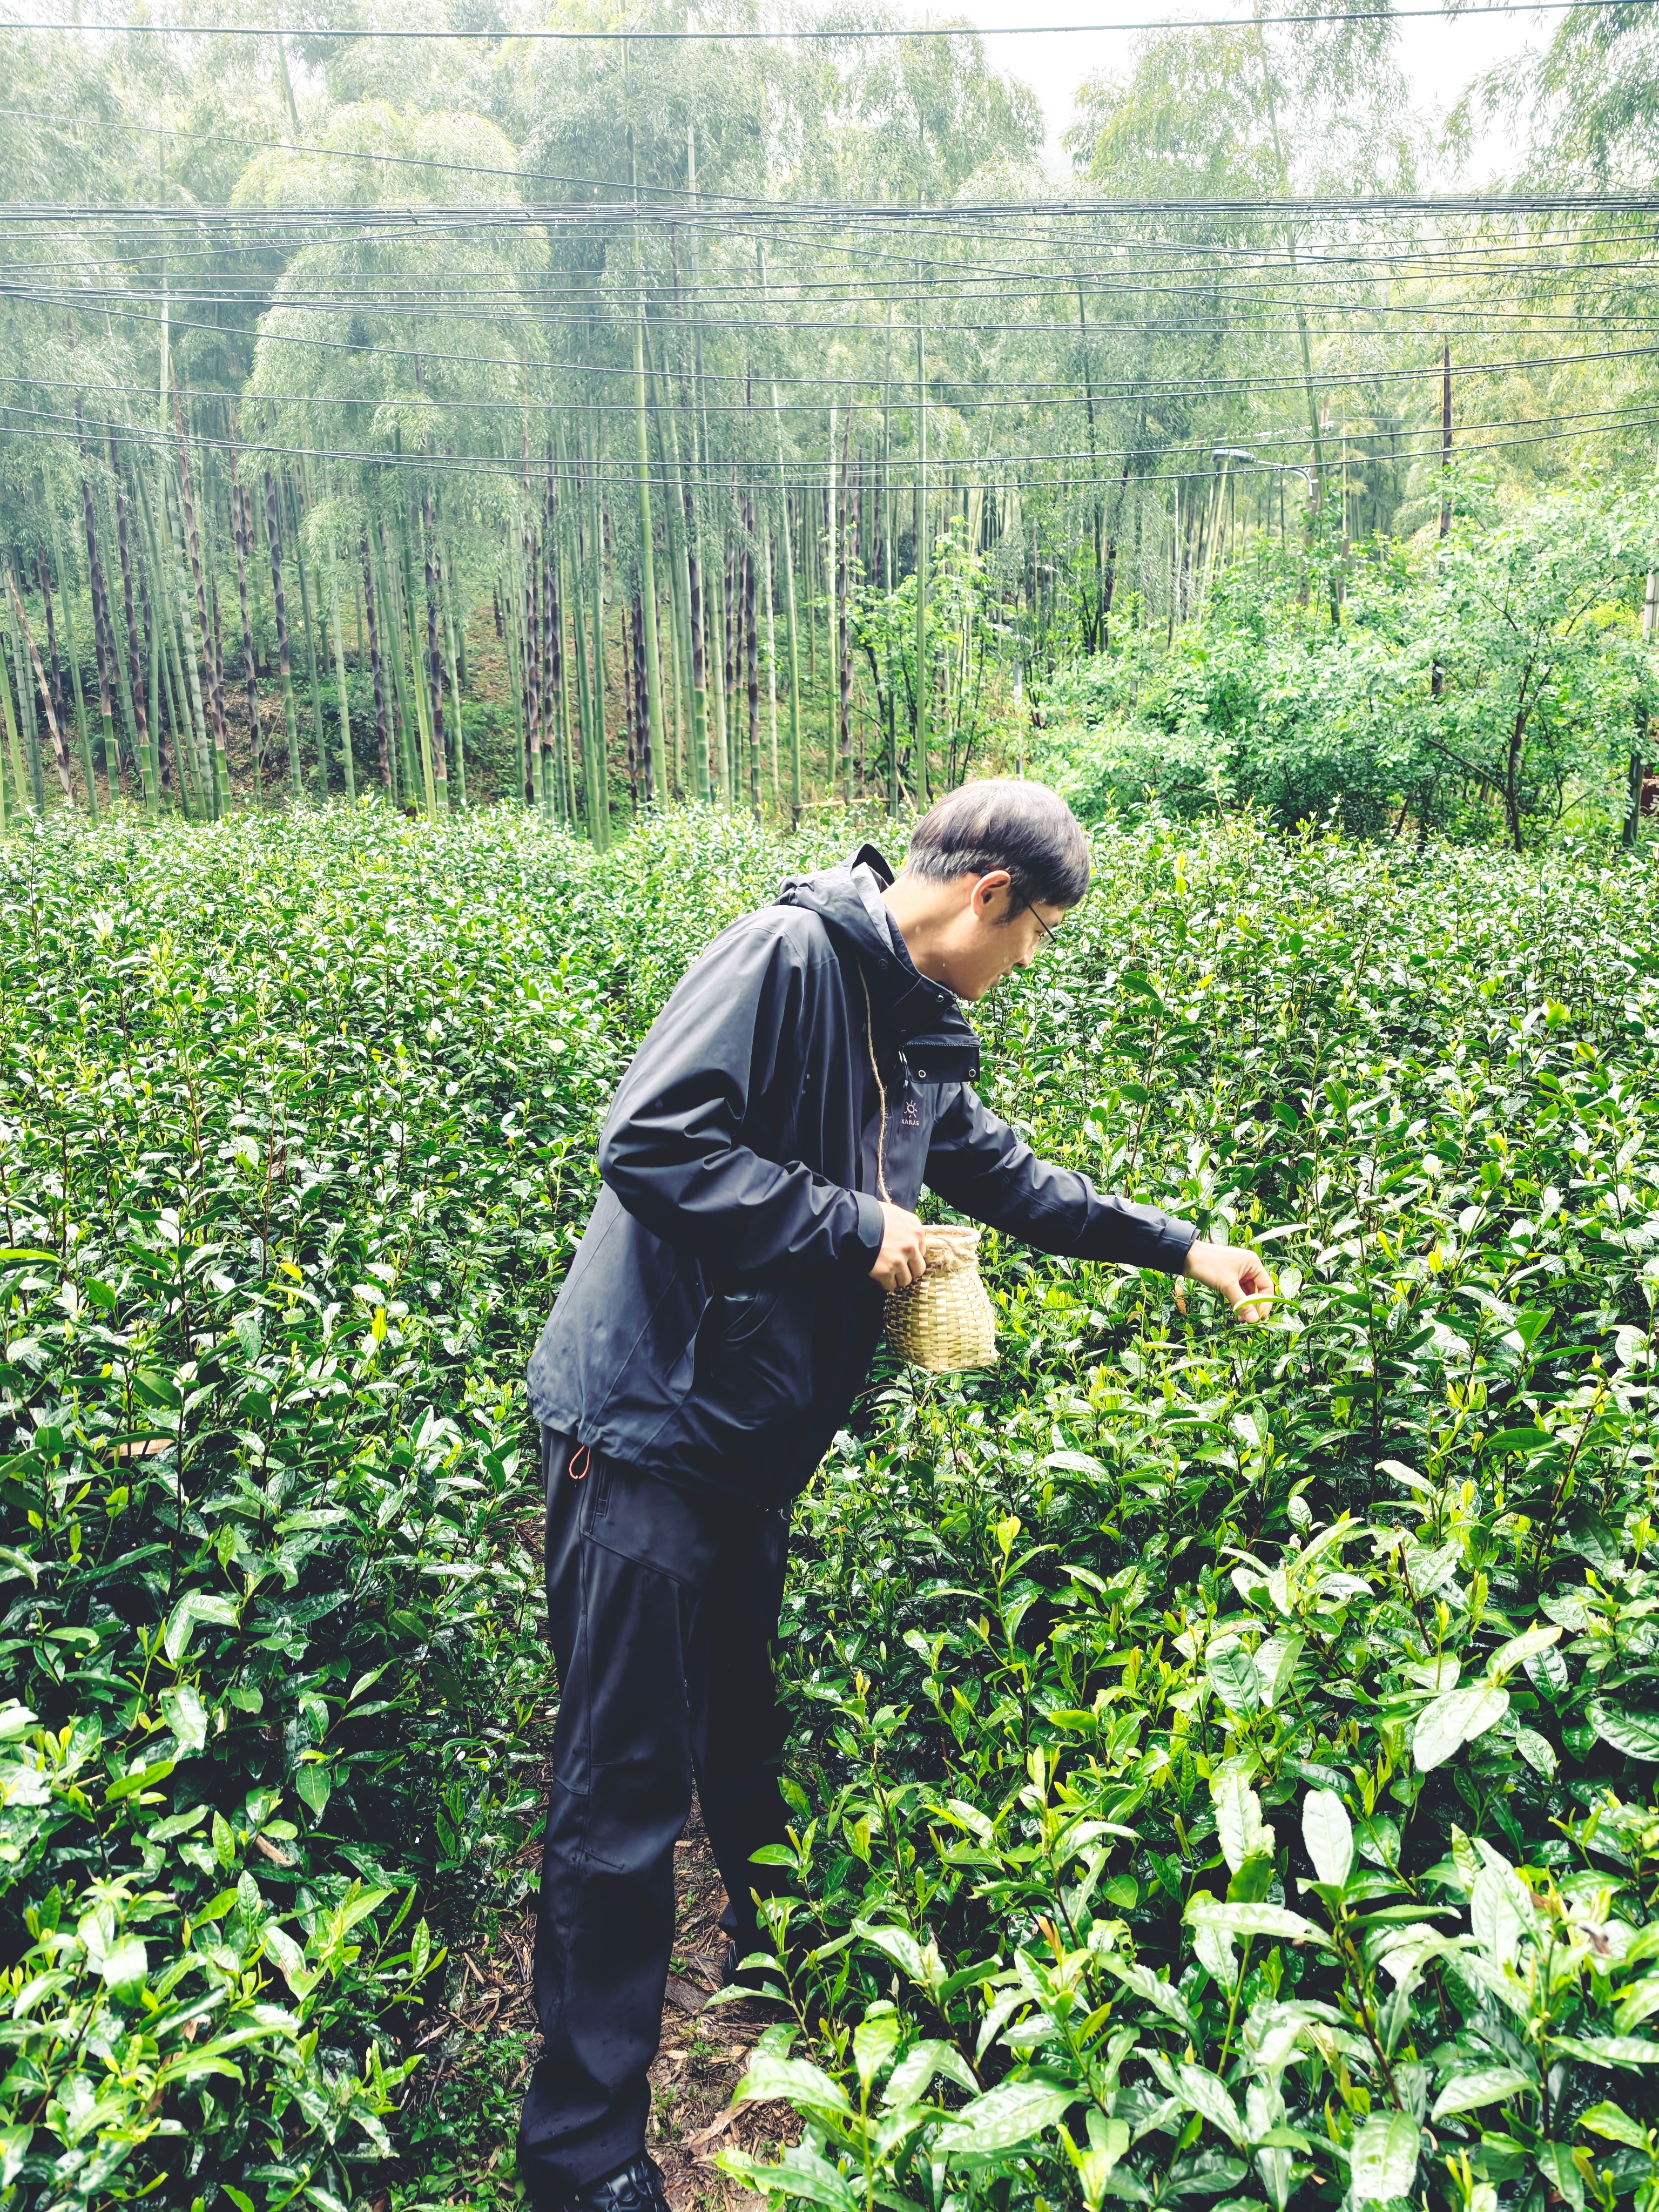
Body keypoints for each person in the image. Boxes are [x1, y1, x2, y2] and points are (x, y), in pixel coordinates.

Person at [517, 780, 1272, 2212]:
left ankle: (774, 1955)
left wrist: (1186, 1248)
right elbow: (652, 1140)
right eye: (1038, 931)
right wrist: (855, 1227)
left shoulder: (907, 1029)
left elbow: (1009, 1179)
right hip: (646, 1426)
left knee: (741, 1720)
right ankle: (581, 2160)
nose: (1030, 961)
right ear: (988, 893)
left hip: (742, 1444)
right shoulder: (789, 958)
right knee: (618, 1797)